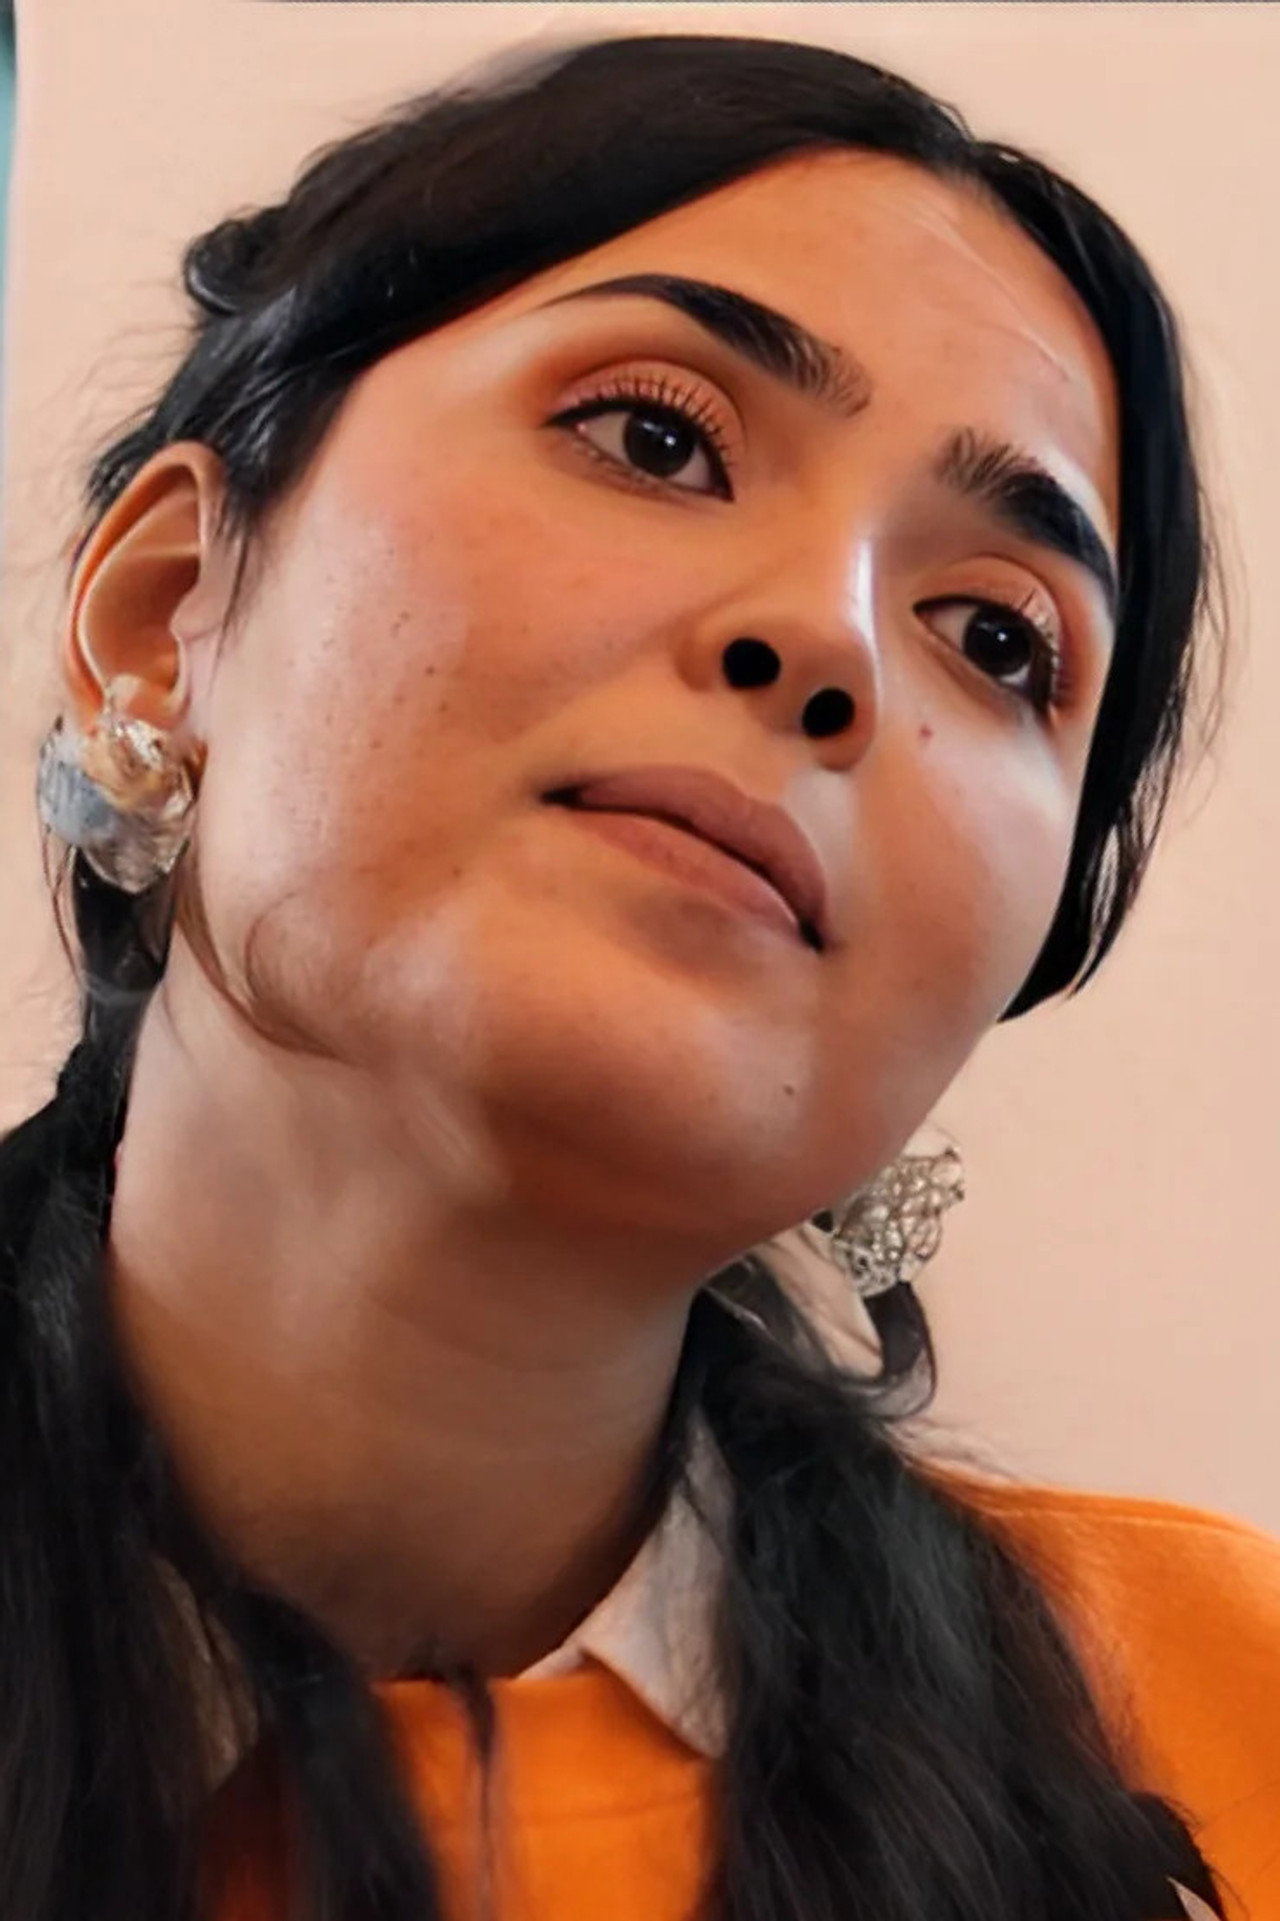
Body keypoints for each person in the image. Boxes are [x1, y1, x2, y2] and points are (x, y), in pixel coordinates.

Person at [4, 28, 1276, 1921]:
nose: (829, 639)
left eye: (997, 637)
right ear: (168, 607)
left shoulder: (1209, 1727)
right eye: (657, 438)